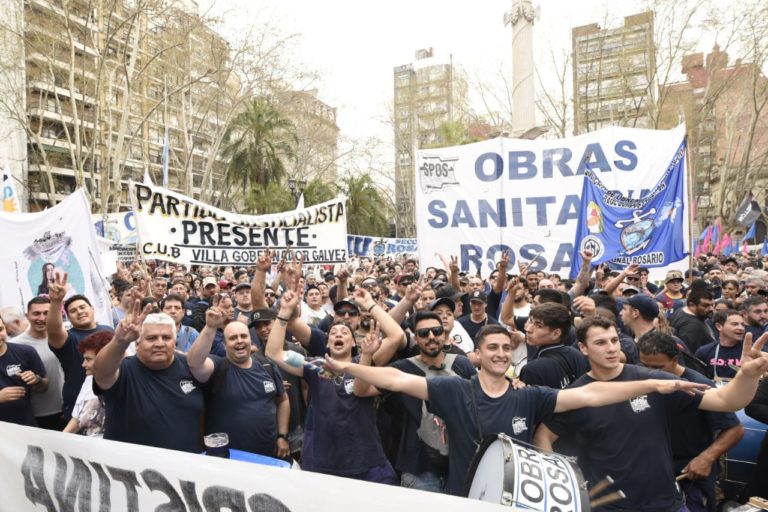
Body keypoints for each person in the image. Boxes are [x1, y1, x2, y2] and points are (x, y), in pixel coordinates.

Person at [323, 323, 711, 497]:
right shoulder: (453, 389)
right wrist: (349, 366)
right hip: (465, 498)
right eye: (492, 348)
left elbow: (593, 395)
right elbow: (396, 380)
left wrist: (657, 384)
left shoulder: (531, 396)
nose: (500, 354)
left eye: (506, 348)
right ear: (478, 354)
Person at [535, 316, 768, 512]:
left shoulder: (653, 380)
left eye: (615, 340)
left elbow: (726, 401)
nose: (611, 348)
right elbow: (543, 437)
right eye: (601, 342)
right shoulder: (576, 394)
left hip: (666, 502)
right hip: (609, 506)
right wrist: (565, 486)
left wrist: (747, 376)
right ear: (583, 348)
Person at [265, 288, 397, 484]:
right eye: (333, 332)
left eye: (345, 332)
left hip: (365, 461)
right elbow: (274, 353)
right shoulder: (314, 366)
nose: (338, 334)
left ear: (353, 343)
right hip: (321, 462)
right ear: (327, 344)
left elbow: (396, 336)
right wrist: (284, 313)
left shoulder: (364, 363)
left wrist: (369, 304)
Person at [355, 310, 477, 492]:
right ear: (416, 338)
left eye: (436, 331)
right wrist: (366, 355)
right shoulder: (402, 368)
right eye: (423, 333)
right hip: (420, 470)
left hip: (460, 465)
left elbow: (483, 398)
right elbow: (361, 390)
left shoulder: (462, 364)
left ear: (444, 335)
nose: (431, 337)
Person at [638, 331, 743, 512]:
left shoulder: (698, 386)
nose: (650, 373)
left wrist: (706, 458)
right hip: (654, 471)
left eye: (658, 367)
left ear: (675, 360)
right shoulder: (639, 380)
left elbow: (735, 429)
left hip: (690, 474)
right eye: (644, 365)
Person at [93, 302, 205, 453]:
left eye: (166, 337)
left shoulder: (192, 367)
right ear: (137, 344)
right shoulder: (122, 370)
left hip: (186, 466)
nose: (160, 343)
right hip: (132, 470)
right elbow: (101, 372)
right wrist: (120, 341)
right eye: (151, 338)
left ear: (175, 342)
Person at [187, 297, 289, 458]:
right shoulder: (218, 367)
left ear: (250, 339)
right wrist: (210, 327)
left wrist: (282, 436)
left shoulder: (267, 366)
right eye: (233, 338)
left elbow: (283, 400)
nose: (239, 341)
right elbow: (194, 363)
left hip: (267, 455)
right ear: (225, 344)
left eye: (243, 336)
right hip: (226, 458)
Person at [46, 272, 113, 419]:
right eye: (73, 311)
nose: (80, 312)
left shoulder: (109, 331)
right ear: (68, 318)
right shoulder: (68, 339)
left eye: (83, 307)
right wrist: (56, 302)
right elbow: (53, 330)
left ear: (92, 309)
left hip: (112, 396)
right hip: (80, 402)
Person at [12, 297, 65, 430]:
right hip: (36, 415)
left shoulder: (64, 338)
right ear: (27, 316)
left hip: (68, 409)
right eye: (36, 313)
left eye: (46, 313)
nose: (41, 318)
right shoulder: (15, 345)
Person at [519, 303, 589, 389]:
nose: (528, 329)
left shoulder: (532, 369)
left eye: (539, 326)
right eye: (530, 321)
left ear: (556, 334)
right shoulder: (576, 354)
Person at [0, 316, 48, 426]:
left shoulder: (25, 352)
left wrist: (36, 380)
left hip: (26, 425)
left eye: (0, 329)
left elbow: (44, 387)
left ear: (5, 328)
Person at [63, 331, 112, 437]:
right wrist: (60, 439)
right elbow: (77, 418)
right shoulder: (90, 379)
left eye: (88, 359)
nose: (83, 364)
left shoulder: (126, 381)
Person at [695, 309, 749, 380]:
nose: (741, 328)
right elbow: (697, 379)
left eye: (742, 325)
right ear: (719, 326)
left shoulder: (749, 351)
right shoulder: (704, 352)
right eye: (735, 324)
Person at [669, 284, 716, 353]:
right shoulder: (691, 327)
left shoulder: (682, 309)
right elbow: (690, 356)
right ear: (692, 305)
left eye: (712, 305)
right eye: (706, 305)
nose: (711, 309)